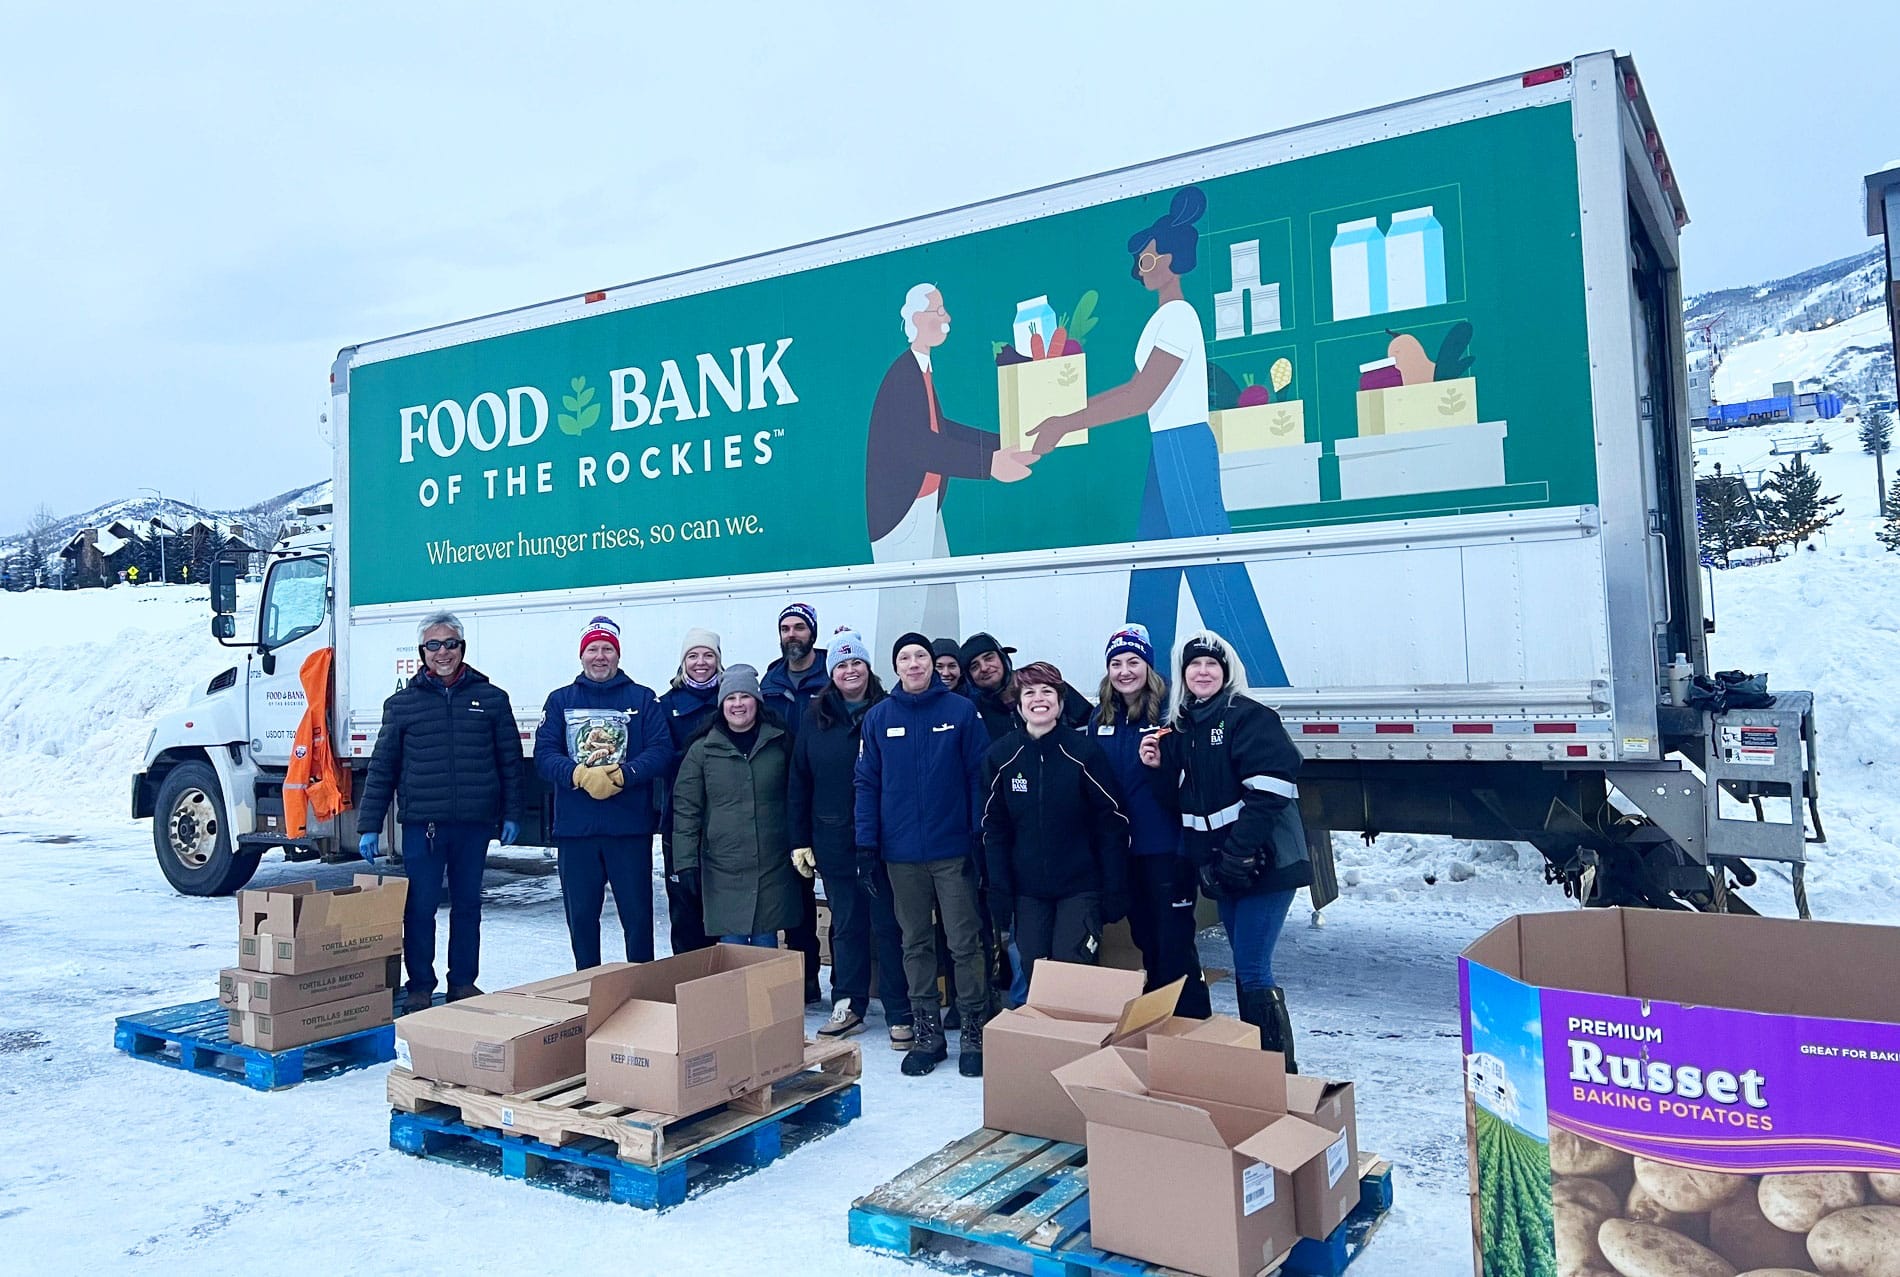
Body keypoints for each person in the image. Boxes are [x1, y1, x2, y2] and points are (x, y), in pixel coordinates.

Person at [1030, 186, 1288, 687]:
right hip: (1165, 446)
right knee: (1151, 572)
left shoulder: (1178, 316)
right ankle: (1144, 687)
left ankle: (1267, 686)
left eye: (1147, 258)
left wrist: (1064, 421)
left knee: (1214, 572)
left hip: (1183, 445)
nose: (1141, 268)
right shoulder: (1165, 317)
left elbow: (1141, 393)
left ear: (1171, 259)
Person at [1139, 630, 1308, 1069]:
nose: (1203, 671)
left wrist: (1238, 853)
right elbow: (1181, 804)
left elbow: (1272, 789)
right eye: (1194, 664)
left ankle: (1279, 1075)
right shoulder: (1183, 727)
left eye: (1212, 664)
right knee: (1244, 965)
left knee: (1252, 968)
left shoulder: (1250, 717)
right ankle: (1261, 1070)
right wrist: (1157, 768)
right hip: (1225, 868)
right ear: (1183, 674)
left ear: (1227, 671)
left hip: (1265, 864)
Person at [357, 612, 523, 1011]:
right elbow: (382, 768)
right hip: (423, 827)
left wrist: (512, 813)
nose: (443, 652)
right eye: (434, 645)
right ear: (422, 653)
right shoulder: (401, 706)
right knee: (420, 908)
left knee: (468, 906)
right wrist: (369, 825)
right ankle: (419, 986)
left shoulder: (492, 700)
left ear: (462, 649)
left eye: (450, 644)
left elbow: (511, 763)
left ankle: (463, 984)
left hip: (474, 824)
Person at [865, 283, 1037, 662]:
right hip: (904, 516)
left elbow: (943, 431)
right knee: (903, 617)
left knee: (941, 608)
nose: (947, 319)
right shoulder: (902, 376)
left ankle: (948, 679)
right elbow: (920, 447)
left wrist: (1003, 441)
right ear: (915, 320)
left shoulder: (920, 370)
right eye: (938, 312)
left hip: (928, 508)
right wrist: (990, 465)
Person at [855, 632, 990, 1077]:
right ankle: (927, 1032)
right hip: (901, 854)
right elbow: (867, 784)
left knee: (963, 941)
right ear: (895, 668)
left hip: (953, 851)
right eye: (905, 657)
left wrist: (977, 834)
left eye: (921, 657)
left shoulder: (960, 712)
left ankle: (974, 1027)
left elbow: (978, 776)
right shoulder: (878, 718)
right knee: (914, 942)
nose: (914, 664)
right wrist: (867, 844)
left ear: (933, 664)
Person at [788, 630, 912, 1044]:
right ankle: (849, 1003)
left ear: (867, 667)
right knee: (845, 924)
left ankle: (899, 1009)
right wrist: (800, 838)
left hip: (885, 838)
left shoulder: (889, 709)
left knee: (888, 925)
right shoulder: (815, 717)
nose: (850, 670)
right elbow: (799, 780)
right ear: (831, 673)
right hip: (833, 836)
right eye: (841, 665)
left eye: (856, 662)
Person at [533, 616, 674, 968]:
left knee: (638, 919)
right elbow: (545, 755)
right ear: (582, 656)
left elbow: (661, 750)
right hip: (576, 832)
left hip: (628, 830)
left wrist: (626, 775)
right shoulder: (560, 701)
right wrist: (577, 774)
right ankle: (588, 986)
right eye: (593, 649)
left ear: (617, 655)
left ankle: (641, 989)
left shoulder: (642, 699)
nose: (600, 656)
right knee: (581, 919)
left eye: (607, 649)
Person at [982, 661, 1129, 983]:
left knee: (1071, 972)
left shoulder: (1083, 753)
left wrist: (1114, 885)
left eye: (1047, 691)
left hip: (1079, 887)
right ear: (1019, 705)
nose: (1039, 699)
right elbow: (994, 829)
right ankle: (1042, 1034)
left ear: (1060, 702)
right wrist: (999, 887)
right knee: (1036, 971)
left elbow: (1112, 821)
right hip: (1028, 890)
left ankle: (1076, 1034)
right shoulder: (1002, 757)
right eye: (1030, 692)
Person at [1091, 623, 1211, 1017]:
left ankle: (1191, 1026)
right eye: (1117, 663)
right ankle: (1162, 1026)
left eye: (1134, 661)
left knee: (1173, 941)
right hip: (1124, 851)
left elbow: (1193, 775)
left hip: (1167, 848)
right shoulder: (1101, 717)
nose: (1125, 671)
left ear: (1149, 665)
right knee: (1144, 937)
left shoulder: (1172, 711)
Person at [671, 665, 803, 947]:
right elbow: (686, 811)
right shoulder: (702, 750)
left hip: (771, 866)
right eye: (731, 698)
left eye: (745, 696)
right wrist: (685, 864)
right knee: (732, 950)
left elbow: (798, 797)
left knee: (766, 947)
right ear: (721, 704)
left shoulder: (779, 743)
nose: (738, 704)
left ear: (757, 701)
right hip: (722, 869)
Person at [761, 601, 827, 1003]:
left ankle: (849, 987)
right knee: (797, 894)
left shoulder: (832, 674)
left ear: (812, 633)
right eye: (785, 628)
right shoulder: (771, 681)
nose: (792, 635)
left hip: (830, 798)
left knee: (840, 894)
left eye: (799, 627)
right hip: (786, 798)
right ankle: (806, 979)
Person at [657, 628, 724, 955]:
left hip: (725, 819)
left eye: (708, 655)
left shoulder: (732, 700)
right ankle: (686, 978)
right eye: (693, 656)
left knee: (722, 903)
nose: (701, 662)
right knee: (684, 905)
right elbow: (660, 757)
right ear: (683, 662)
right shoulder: (666, 705)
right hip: (680, 820)